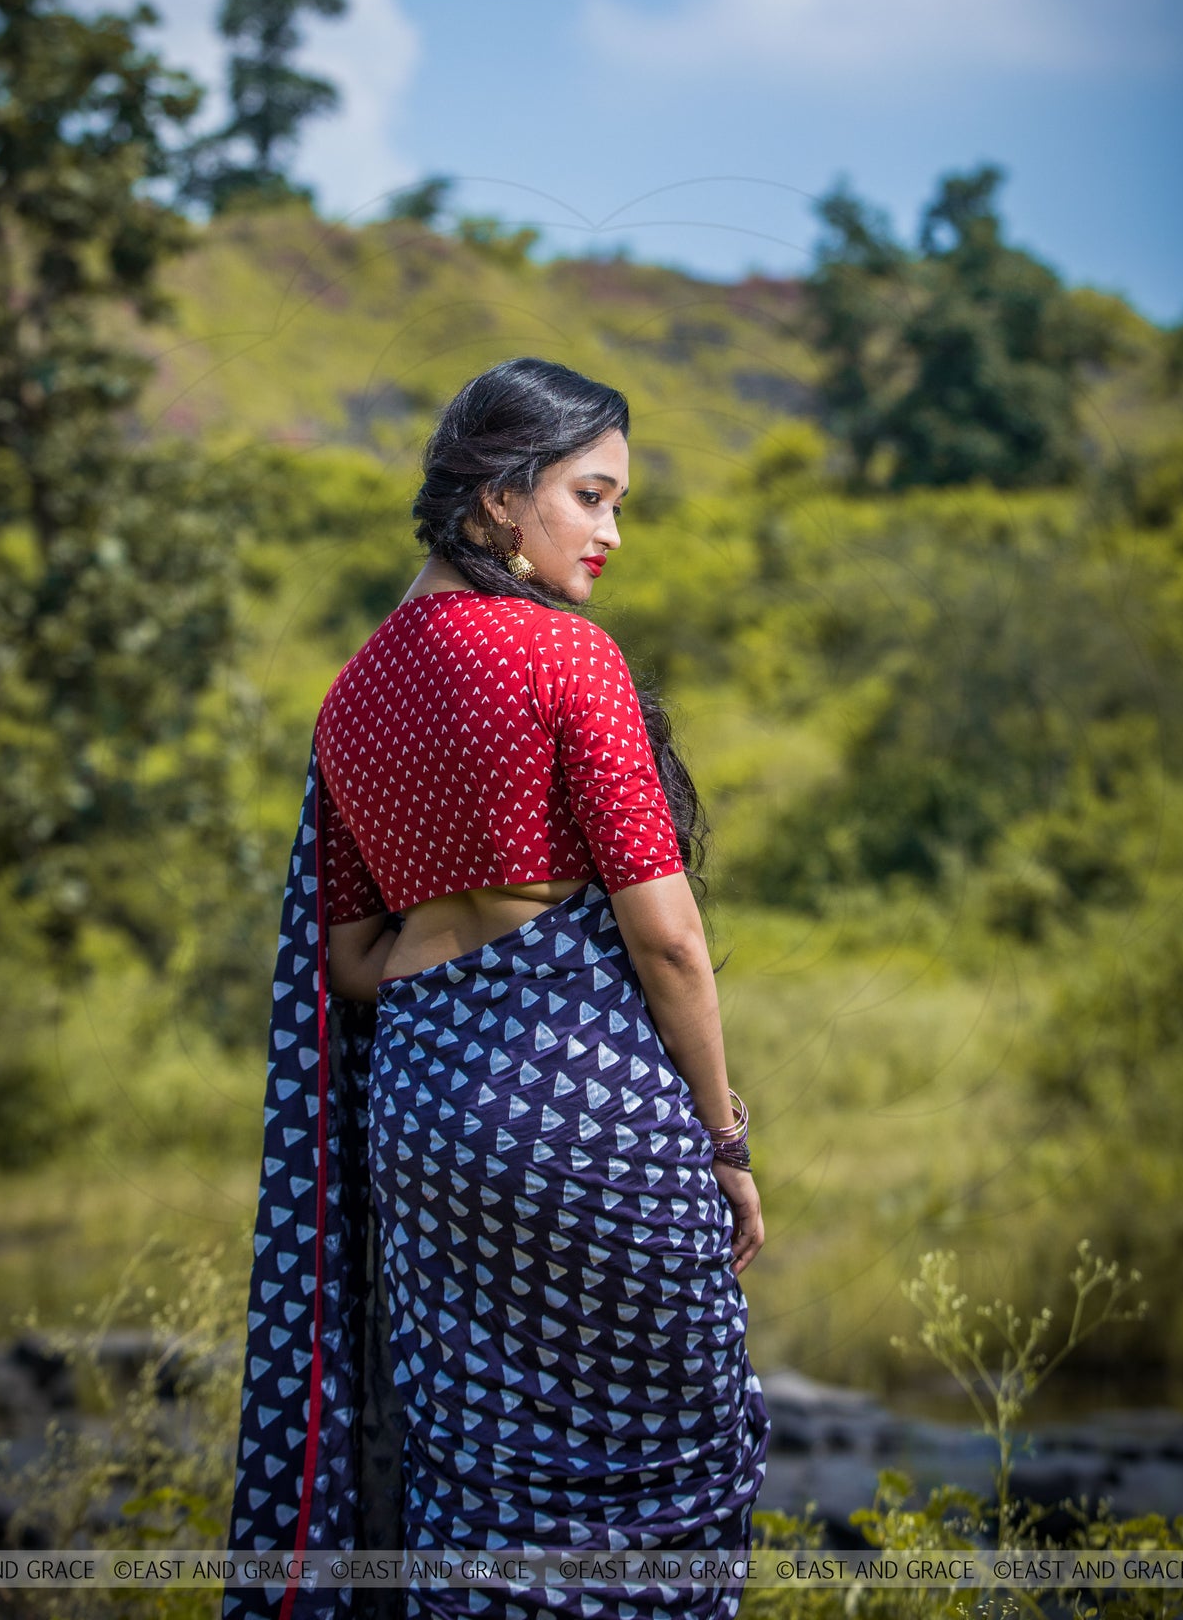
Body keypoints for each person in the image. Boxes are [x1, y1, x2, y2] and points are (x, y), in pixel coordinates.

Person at [225, 358, 770, 1619]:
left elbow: (351, 962)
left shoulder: (351, 694)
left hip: (424, 1130)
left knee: (476, 1484)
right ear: (496, 497)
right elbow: (669, 935)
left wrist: (459, 938)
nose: (613, 534)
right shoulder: (565, 658)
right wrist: (726, 1134)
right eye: (591, 496)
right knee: (671, 1474)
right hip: (588, 1127)